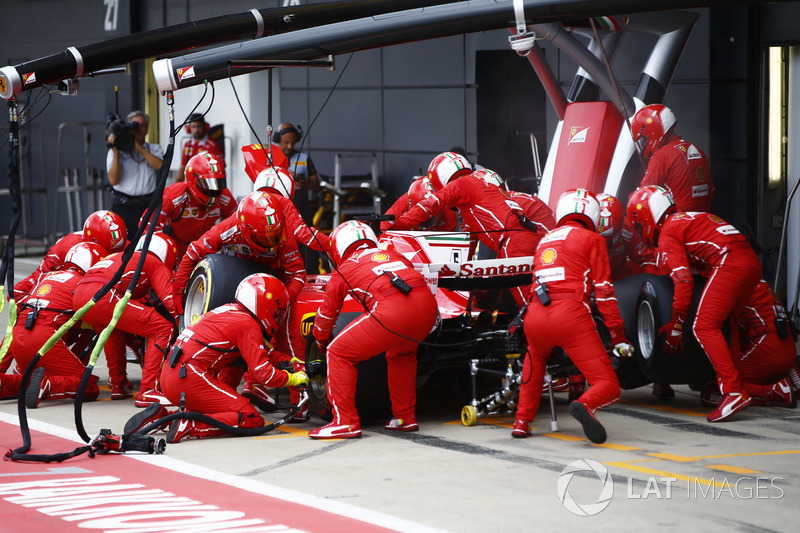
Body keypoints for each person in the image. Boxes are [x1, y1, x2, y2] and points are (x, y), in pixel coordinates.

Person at [626, 185, 762, 422]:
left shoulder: (668, 231)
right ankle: (732, 386)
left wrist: (677, 327)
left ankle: (733, 391)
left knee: (703, 327)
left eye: (638, 223)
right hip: (749, 262)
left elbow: (684, 281)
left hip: (729, 262)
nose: (639, 229)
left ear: (647, 216)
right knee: (727, 325)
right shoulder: (689, 217)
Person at [127, 273, 308, 444]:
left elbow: (264, 352)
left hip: (172, 374)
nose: (277, 316)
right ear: (268, 305)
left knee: (223, 410)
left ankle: (164, 418)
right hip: (189, 375)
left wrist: (289, 362)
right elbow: (264, 374)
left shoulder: (231, 311)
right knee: (249, 417)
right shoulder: (247, 325)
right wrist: (293, 378)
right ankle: (190, 425)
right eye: (277, 311)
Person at [512, 189, 632, 444]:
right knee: (608, 384)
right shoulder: (593, 240)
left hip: (535, 314)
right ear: (593, 216)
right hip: (571, 316)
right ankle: (585, 404)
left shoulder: (544, 241)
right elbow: (605, 293)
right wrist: (618, 336)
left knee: (534, 361)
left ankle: (522, 422)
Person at [172, 191, 307, 415]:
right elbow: (193, 252)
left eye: (275, 236)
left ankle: (297, 403)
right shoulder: (228, 228)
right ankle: (225, 397)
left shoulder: (283, 234)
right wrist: (179, 292)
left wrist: (283, 300)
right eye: (265, 238)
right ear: (245, 230)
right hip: (237, 287)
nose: (272, 242)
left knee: (286, 342)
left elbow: (299, 275)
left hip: (272, 289)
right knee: (231, 344)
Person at [309, 220, 439, 439]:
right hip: (428, 309)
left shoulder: (345, 268)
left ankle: (345, 421)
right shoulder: (396, 255)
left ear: (339, 247)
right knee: (402, 353)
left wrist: (319, 344)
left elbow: (326, 316)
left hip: (393, 311)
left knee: (337, 352)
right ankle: (404, 417)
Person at [389, 152, 550, 307]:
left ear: (442, 177)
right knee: (536, 291)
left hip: (513, 241)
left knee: (528, 302)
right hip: (523, 237)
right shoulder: (477, 189)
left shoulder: (461, 184)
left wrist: (396, 228)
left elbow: (429, 205)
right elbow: (470, 240)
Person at [73, 232, 179, 406]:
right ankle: (148, 390)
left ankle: (118, 385)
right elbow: (170, 301)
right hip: (105, 294)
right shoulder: (151, 261)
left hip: (80, 295)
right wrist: (189, 324)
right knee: (162, 328)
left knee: (112, 332)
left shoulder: (122, 255)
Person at [0, 242, 107, 407]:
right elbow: (97, 319)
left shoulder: (47, 276)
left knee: (27, 380)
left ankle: (4, 383)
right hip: (43, 336)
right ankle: (48, 386)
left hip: (18, 335)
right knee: (89, 386)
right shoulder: (83, 284)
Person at [701, 280, 796, 408]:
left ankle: (774, 391)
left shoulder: (730, 283)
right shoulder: (761, 282)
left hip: (766, 350)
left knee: (714, 389)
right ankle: (789, 383)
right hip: (788, 351)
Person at [631, 104, 715, 213]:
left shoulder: (661, 156)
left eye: (644, 139)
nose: (644, 143)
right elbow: (711, 192)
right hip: (704, 221)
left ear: (651, 131)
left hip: (678, 224)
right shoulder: (697, 150)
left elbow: (641, 198)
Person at [156, 152, 237, 262]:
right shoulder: (173, 195)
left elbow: (237, 223)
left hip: (206, 247)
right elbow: (148, 225)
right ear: (192, 179)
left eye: (217, 182)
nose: (213, 189)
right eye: (207, 183)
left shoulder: (224, 196)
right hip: (176, 247)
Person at [106, 110, 164, 240]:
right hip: (123, 206)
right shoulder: (116, 151)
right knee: (121, 245)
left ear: (147, 129)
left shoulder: (155, 149)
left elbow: (161, 167)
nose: (139, 128)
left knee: (147, 244)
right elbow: (114, 180)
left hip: (147, 206)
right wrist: (116, 152)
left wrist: (139, 149)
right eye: (135, 125)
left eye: (143, 125)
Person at [274, 123, 322, 273]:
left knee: (308, 252)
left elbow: (316, 184)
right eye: (285, 142)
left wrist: (302, 182)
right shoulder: (269, 157)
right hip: (278, 212)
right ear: (277, 139)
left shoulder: (304, 158)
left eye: (292, 143)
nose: (289, 146)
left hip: (302, 211)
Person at [381, 176, 459, 232]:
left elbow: (447, 243)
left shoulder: (448, 210)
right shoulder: (399, 210)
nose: (424, 219)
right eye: (420, 215)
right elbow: (383, 236)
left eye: (429, 219)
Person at [176, 113, 224, 183]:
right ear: (189, 129)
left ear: (205, 127)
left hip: (207, 184)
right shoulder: (187, 145)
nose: (196, 130)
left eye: (199, 126)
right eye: (193, 127)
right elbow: (183, 166)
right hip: (190, 183)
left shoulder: (213, 145)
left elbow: (220, 170)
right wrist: (175, 185)